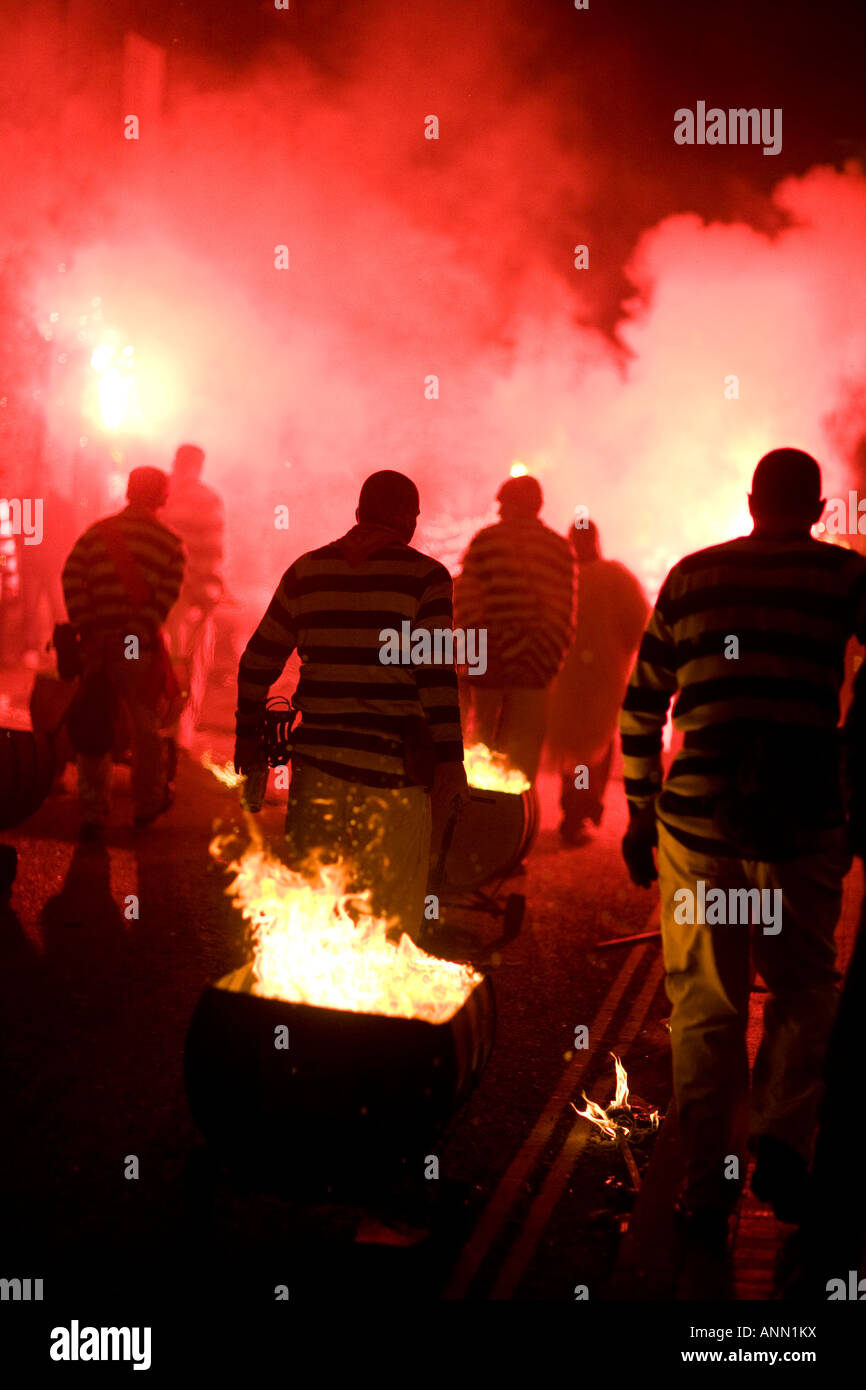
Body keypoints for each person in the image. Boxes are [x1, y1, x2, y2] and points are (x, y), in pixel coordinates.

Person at [619, 447, 866, 1248]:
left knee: (707, 1009)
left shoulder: (693, 575)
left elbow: (642, 705)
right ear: (821, 506)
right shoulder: (846, 578)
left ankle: (707, 1189)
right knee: (803, 988)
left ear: (751, 499)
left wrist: (636, 814)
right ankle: (783, 1141)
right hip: (801, 825)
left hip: (699, 829)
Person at [234, 470, 467, 936]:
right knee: (387, 925)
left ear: (358, 513)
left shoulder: (306, 571)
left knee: (313, 920)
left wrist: (247, 739)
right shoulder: (426, 578)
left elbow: (256, 661)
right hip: (392, 780)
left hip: (316, 771)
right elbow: (436, 678)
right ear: (407, 519)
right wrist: (450, 760)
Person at [61, 466, 185, 840]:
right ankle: (146, 804)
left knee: (95, 722)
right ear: (162, 497)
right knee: (144, 723)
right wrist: (132, 633)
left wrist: (88, 626)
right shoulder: (170, 544)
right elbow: (163, 600)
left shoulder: (98, 534)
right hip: (136, 646)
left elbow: (71, 575)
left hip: (96, 643)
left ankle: (92, 812)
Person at [454, 474, 576, 782]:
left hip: (490, 663)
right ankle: (514, 817)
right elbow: (565, 613)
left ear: (510, 504)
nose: (498, 511)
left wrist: (475, 656)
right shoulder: (559, 549)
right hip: (536, 667)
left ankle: (479, 813)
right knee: (522, 747)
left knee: (481, 741)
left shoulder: (486, 541)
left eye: (503, 503)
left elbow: (467, 602)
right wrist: (549, 660)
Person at [546, 519, 648, 842]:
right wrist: (621, 654)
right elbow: (638, 622)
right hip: (601, 677)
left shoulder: (561, 579)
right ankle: (581, 808)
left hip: (569, 677)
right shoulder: (614, 578)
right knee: (594, 747)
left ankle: (576, 807)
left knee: (575, 747)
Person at [162, 443, 225, 750]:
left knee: (156, 662)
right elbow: (213, 553)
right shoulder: (207, 500)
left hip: (157, 598)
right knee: (187, 665)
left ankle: (155, 727)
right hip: (186, 599)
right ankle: (176, 732)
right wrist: (205, 594)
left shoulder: (160, 494)